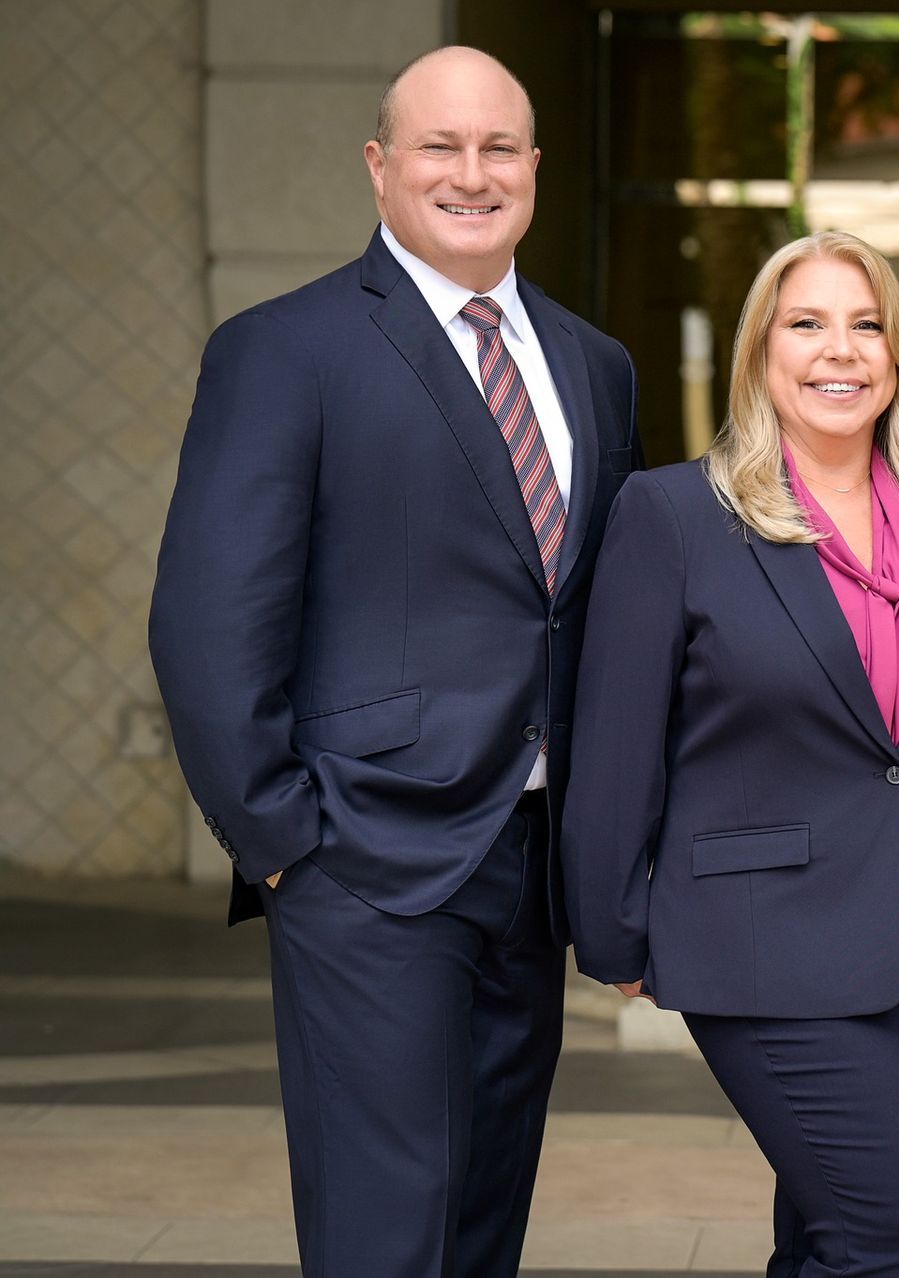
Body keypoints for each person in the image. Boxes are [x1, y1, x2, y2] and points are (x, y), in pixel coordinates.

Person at [148, 47, 638, 1278]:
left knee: (483, 1219)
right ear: (380, 166)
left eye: (498, 149)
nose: (470, 176)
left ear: (534, 168)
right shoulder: (286, 349)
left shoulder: (595, 364)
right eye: (439, 147)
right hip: (358, 862)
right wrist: (282, 845)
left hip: (531, 871)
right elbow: (209, 623)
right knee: (385, 1227)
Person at [561, 230, 899, 1277]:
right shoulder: (675, 514)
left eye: (868, 326)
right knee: (889, 1228)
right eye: (808, 324)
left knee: (828, 1236)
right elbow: (616, 743)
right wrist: (616, 930)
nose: (842, 351)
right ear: (760, 355)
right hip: (761, 939)